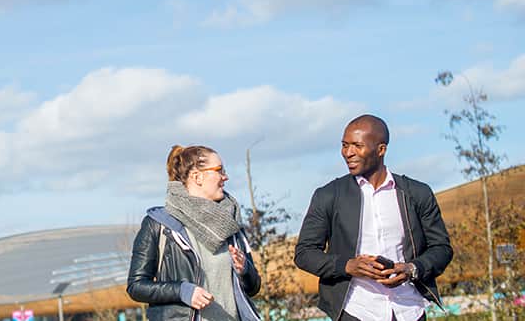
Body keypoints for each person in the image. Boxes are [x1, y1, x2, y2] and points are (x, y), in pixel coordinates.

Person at [294, 114, 453, 321]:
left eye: (357, 146)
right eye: (344, 145)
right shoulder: (328, 195)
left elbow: (441, 248)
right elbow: (304, 253)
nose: (348, 153)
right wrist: (347, 266)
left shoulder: (416, 193)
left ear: (381, 150)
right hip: (356, 310)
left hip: (409, 310)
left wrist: (411, 269)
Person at [127, 145, 261, 321]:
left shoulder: (232, 225)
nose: (225, 177)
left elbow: (253, 288)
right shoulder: (158, 224)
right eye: (219, 170)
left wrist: (245, 270)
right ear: (197, 177)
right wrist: (182, 291)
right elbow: (136, 286)